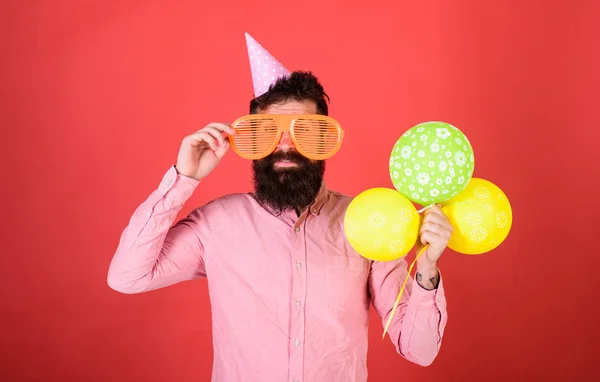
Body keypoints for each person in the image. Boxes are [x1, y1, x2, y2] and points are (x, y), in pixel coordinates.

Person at [108, 34, 452, 382]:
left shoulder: (368, 221)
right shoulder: (218, 224)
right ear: (251, 141)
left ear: (325, 142)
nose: (285, 146)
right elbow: (128, 276)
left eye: (306, 132)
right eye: (267, 132)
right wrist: (184, 178)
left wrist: (427, 266)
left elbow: (419, 350)